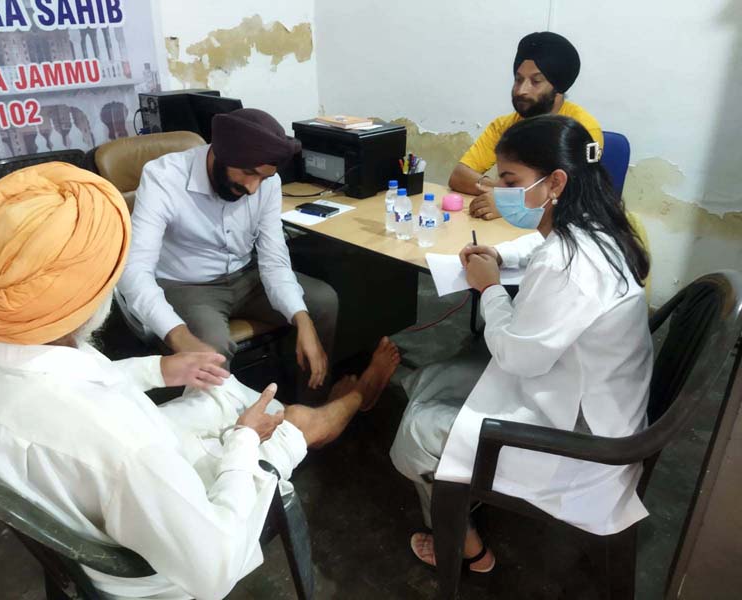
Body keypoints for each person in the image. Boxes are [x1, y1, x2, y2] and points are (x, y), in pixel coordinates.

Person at [0, 163, 400, 600]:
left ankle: (304, 410)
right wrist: (242, 441)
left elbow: (59, 383)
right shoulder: (122, 445)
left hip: (80, 492)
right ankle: (358, 395)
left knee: (217, 387)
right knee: (288, 420)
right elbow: (213, 572)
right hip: (153, 562)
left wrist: (158, 369)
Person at [392, 115, 652, 573]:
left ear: (555, 182)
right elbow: (538, 247)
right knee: (435, 377)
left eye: (509, 179)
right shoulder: (595, 225)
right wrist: (499, 256)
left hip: (583, 443)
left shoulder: (569, 265)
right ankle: (455, 487)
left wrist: (490, 288)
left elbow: (516, 356)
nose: (495, 187)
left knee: (419, 425)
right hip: (594, 399)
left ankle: (464, 545)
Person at [117, 108, 337, 393]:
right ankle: (228, 433)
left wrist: (301, 318)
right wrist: (179, 336)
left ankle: (308, 419)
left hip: (246, 276)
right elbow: (133, 271)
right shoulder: (164, 178)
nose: (252, 188)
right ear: (220, 153)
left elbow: (274, 259)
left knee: (321, 303)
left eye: (263, 177)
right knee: (210, 353)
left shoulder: (266, 184)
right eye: (248, 173)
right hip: (187, 285)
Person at [449, 32, 603, 221]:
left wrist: (513, 204)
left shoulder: (581, 128)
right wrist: (507, 195)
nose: (522, 90)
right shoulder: (505, 125)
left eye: (536, 81)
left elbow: (578, 200)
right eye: (518, 79)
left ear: (558, 88)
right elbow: (459, 176)